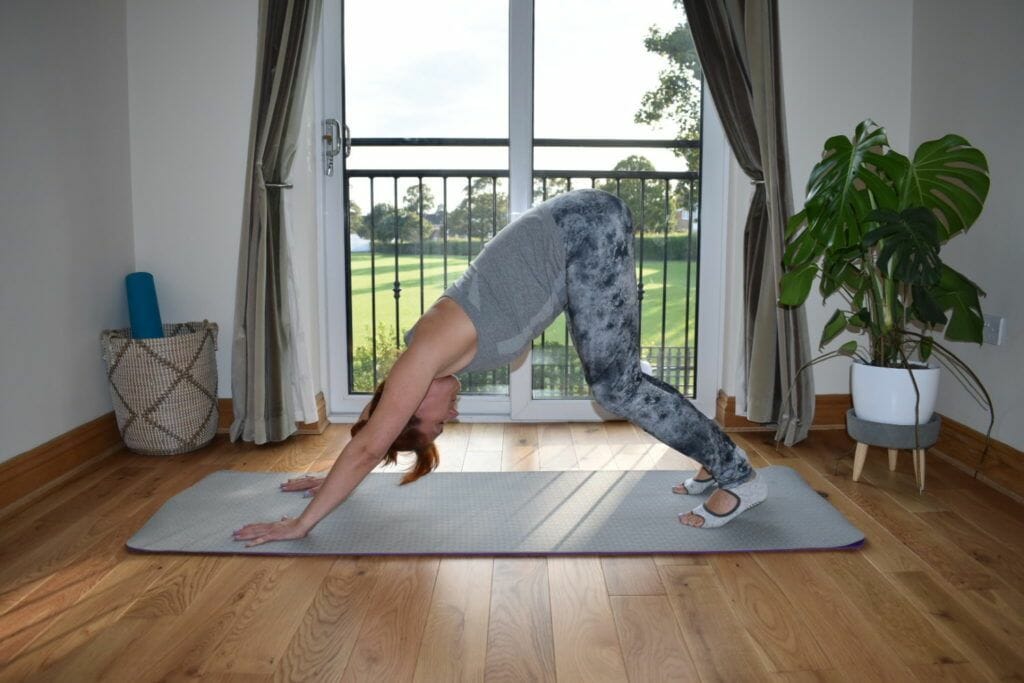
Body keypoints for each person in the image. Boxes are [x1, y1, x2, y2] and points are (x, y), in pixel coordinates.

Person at [232, 189, 766, 547]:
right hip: (579, 231)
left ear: (413, 405)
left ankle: (739, 476)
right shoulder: (435, 355)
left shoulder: (423, 356)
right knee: (617, 383)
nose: (452, 415)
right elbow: (376, 438)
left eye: (439, 422)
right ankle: (713, 456)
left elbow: (372, 442)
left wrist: (302, 524)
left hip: (582, 228)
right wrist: (326, 478)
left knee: (616, 388)